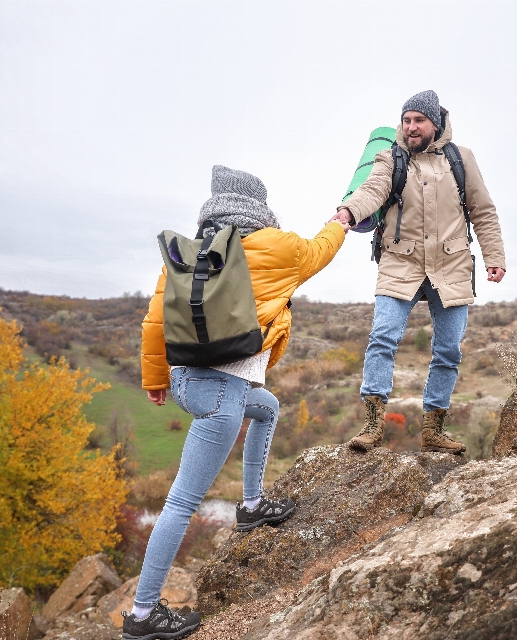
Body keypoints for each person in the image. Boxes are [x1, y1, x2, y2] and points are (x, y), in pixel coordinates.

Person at [123, 165, 348, 640]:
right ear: (258, 204)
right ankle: (143, 617)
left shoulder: (187, 252)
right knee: (181, 504)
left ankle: (250, 504)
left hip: (187, 381)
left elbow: (154, 320)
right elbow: (320, 251)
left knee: (267, 407)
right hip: (224, 390)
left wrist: (155, 379)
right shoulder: (278, 246)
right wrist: (342, 219)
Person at [329, 90, 506, 455]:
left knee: (448, 352)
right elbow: (373, 190)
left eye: (418, 121)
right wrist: (348, 212)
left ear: (434, 124)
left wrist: (494, 256)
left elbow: (483, 210)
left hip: (452, 265)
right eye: (406, 120)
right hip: (400, 263)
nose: (410, 127)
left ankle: (433, 429)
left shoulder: (461, 159)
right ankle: (373, 423)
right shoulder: (389, 158)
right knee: (382, 338)